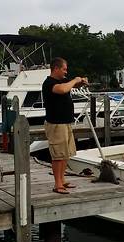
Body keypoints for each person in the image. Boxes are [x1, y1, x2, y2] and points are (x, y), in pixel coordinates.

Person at [42, 57, 88, 194]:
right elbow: (62, 90)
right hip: (56, 124)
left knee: (65, 153)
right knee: (58, 155)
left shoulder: (62, 81)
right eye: (64, 69)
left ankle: (62, 180)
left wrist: (81, 82)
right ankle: (57, 185)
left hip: (65, 122)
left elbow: (71, 86)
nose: (65, 72)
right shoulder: (49, 83)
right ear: (56, 68)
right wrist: (74, 80)